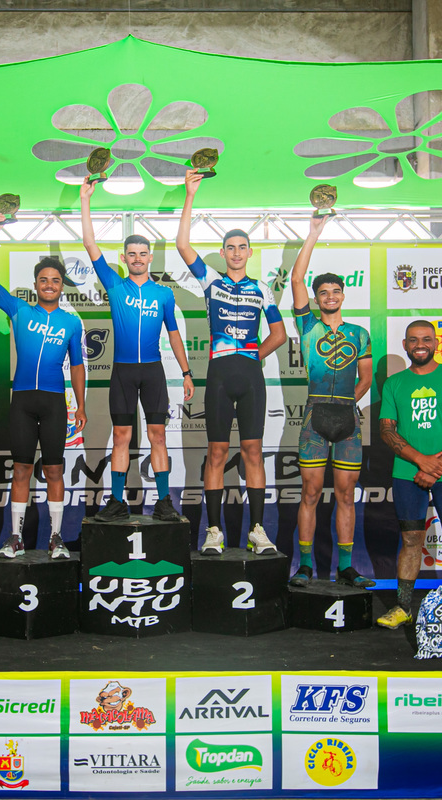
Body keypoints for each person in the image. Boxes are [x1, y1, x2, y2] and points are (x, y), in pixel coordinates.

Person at [175, 168, 287, 555]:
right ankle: (214, 532)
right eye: (230, 247)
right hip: (220, 376)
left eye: (242, 247)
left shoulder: (262, 289)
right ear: (223, 253)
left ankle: (258, 531)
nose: (237, 252)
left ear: (250, 252)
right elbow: (182, 244)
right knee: (218, 454)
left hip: (250, 376)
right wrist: (190, 195)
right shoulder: (211, 280)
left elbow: (279, 334)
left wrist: (254, 353)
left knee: (253, 452)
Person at [80, 178, 196, 522]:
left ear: (150, 257)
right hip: (123, 372)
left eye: (143, 254)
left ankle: (164, 501)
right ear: (124, 258)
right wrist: (85, 200)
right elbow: (89, 243)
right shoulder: (115, 285)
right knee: (121, 436)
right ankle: (117, 501)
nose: (137, 258)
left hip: (153, 372)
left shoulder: (163, 294)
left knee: (158, 435)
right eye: (131, 254)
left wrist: (187, 373)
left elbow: (174, 335)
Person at [0, 211, 86, 559]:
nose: (49, 284)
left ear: (62, 285)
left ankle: (56, 538)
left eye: (55, 280)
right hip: (23, 401)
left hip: (54, 402)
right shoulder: (19, 310)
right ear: (36, 284)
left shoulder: (71, 323)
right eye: (43, 280)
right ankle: (16, 538)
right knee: (22, 468)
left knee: (54, 469)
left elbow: (78, 366)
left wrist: (81, 406)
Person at [288, 214, 375, 589]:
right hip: (314, 418)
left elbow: (366, 378)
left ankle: (346, 567)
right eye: (323, 292)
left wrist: (346, 404)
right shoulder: (308, 326)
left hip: (347, 421)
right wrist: (313, 233)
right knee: (309, 493)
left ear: (343, 295)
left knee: (346, 496)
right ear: (317, 298)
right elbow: (296, 279)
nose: (329, 297)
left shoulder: (360, 333)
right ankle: (305, 565)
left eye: (335, 291)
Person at [376, 320, 442, 629]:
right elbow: (387, 431)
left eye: (427, 339)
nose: (420, 344)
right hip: (408, 473)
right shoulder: (394, 384)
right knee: (410, 540)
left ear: (436, 344)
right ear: (405, 345)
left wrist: (437, 466)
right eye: (414, 339)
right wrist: (422, 461)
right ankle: (403, 607)